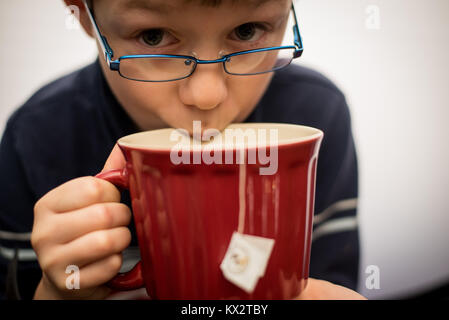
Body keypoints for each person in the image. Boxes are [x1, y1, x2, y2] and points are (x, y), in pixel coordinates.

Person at [0, 0, 365, 300]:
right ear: (83, 14)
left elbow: (332, 279)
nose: (207, 97)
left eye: (247, 31)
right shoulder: (35, 139)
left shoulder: (317, 117)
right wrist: (54, 293)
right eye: (154, 36)